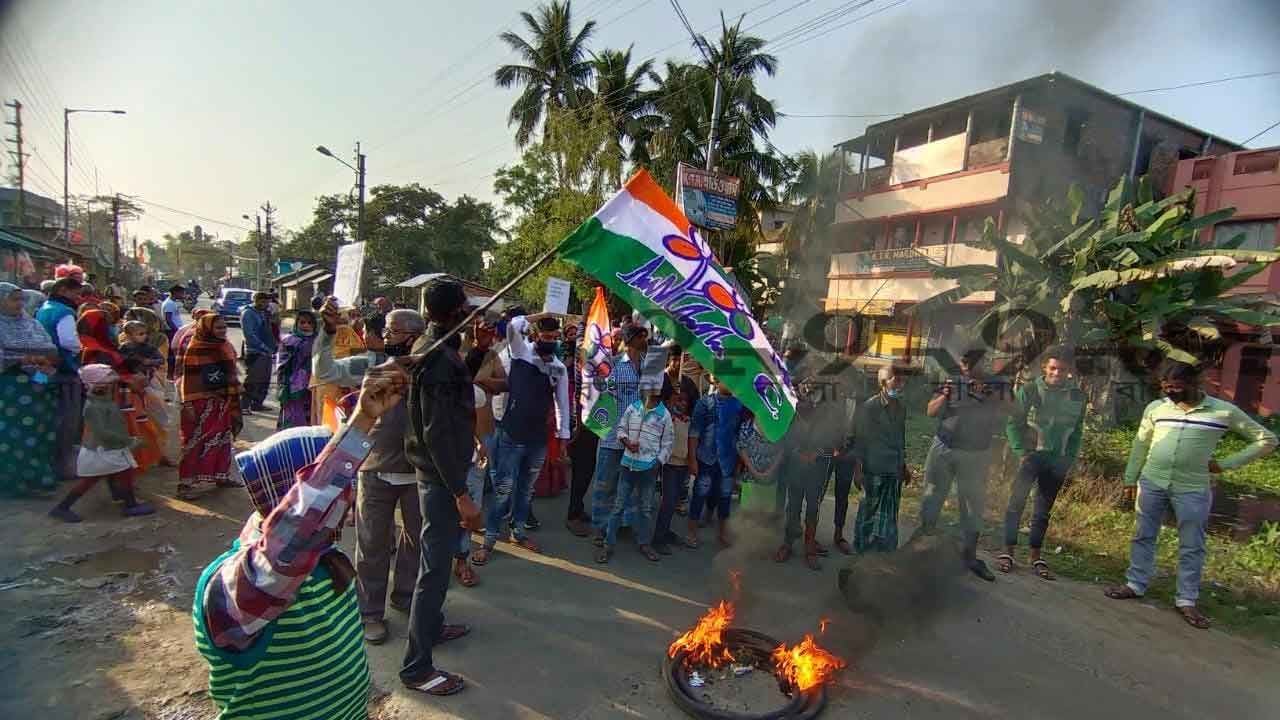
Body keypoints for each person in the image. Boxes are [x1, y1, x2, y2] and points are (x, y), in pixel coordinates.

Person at [195, 363, 409, 720]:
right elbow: (300, 527)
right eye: (341, 487)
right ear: (291, 499)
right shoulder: (236, 583)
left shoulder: (327, 560)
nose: (348, 496)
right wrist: (358, 424)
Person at [1105, 361, 1277, 629]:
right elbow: (1140, 445)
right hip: (1152, 481)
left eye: (1176, 387)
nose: (1170, 392)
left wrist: (1225, 464)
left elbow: (1266, 440)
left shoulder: (1223, 411)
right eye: (1166, 387)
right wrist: (1130, 478)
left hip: (1192, 488)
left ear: (1195, 384)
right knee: (1143, 535)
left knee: (1192, 544)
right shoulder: (1157, 408)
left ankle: (1186, 600)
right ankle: (1135, 584)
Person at [401, 281, 482, 697]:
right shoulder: (435, 358)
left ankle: (431, 628)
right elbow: (436, 433)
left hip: (440, 474)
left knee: (437, 563)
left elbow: (454, 405)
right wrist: (460, 493)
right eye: (466, 307)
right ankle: (417, 667)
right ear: (453, 312)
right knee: (433, 571)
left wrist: (479, 351)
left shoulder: (442, 347)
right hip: (438, 478)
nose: (471, 313)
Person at [355, 309, 429, 645]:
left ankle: (405, 595)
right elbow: (360, 422)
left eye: (392, 331)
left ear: (413, 335)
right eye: (385, 331)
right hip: (375, 471)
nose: (385, 337)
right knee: (372, 544)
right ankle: (370, 613)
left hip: (417, 473)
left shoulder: (430, 375)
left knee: (415, 540)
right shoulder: (377, 373)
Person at [477, 314, 570, 561]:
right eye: (546, 337)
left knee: (526, 491)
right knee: (503, 490)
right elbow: (511, 326)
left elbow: (562, 406)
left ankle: (517, 532)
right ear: (536, 335)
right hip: (511, 434)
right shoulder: (521, 352)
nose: (550, 341)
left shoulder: (558, 368)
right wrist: (541, 313)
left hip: (538, 439)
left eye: (554, 337)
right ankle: (489, 539)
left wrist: (562, 441)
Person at [916, 351, 1007, 581]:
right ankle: (921, 550)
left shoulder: (996, 383)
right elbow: (930, 411)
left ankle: (969, 557)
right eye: (962, 362)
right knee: (932, 496)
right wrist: (945, 395)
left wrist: (989, 394)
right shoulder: (952, 380)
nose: (964, 366)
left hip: (976, 454)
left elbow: (1012, 410)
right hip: (944, 447)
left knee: (972, 505)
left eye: (969, 363)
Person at [999, 348, 1087, 579]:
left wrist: (1069, 457)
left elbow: (1076, 430)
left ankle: (1035, 557)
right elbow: (1013, 422)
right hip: (1031, 457)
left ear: (1070, 372)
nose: (1057, 373)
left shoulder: (1077, 396)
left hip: (1057, 461)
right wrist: (1021, 451)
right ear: (1045, 368)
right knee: (1015, 504)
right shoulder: (1029, 390)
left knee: (1043, 510)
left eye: (1062, 369)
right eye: (1053, 368)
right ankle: (1007, 552)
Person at [48, 364, 154, 522]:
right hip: (102, 449)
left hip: (106, 448)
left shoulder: (101, 402)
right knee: (116, 475)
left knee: (115, 474)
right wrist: (128, 441)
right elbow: (102, 433)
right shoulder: (94, 406)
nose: (112, 386)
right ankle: (129, 505)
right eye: (108, 384)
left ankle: (124, 499)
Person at [597, 385, 674, 563]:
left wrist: (658, 462)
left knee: (645, 509)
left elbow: (668, 443)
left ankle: (644, 543)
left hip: (649, 468)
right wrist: (626, 442)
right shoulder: (633, 408)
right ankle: (608, 544)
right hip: (628, 465)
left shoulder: (664, 415)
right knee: (618, 506)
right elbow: (621, 428)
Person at [458, 309, 506, 581]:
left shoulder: (491, 354)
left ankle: (462, 558)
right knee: (450, 502)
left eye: (486, 323)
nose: (481, 326)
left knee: (473, 499)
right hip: (453, 440)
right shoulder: (450, 352)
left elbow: (504, 383)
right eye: (474, 321)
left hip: (483, 437)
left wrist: (486, 382)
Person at [0, 281, 60, 496]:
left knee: (40, 433)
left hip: (38, 386)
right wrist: (20, 359)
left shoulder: (31, 323)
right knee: (12, 436)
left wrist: (42, 360)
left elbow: (50, 348)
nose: (19, 303)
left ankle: (38, 479)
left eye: (20, 299)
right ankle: (12, 483)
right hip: (9, 390)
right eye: (13, 299)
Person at [590, 323, 647, 546]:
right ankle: (599, 526)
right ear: (630, 339)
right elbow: (598, 392)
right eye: (641, 337)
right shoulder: (613, 363)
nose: (645, 341)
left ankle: (623, 522)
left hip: (637, 436)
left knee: (630, 482)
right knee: (606, 482)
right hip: (612, 435)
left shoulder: (648, 366)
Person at [178, 314, 243, 498]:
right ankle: (185, 484)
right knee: (195, 442)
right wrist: (188, 404)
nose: (222, 331)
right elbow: (189, 381)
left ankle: (221, 475)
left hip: (223, 401)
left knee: (223, 439)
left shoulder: (225, 346)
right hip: (201, 403)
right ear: (206, 329)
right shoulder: (196, 348)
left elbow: (231, 372)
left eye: (224, 327)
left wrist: (235, 387)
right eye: (218, 328)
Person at [847, 365, 909, 554]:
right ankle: (860, 554)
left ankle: (884, 556)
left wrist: (903, 466)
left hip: (893, 470)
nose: (901, 384)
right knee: (867, 514)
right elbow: (860, 440)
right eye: (896, 380)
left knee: (889, 516)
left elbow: (900, 438)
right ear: (884, 382)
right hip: (873, 468)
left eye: (902, 380)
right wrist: (858, 471)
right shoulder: (870, 407)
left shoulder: (901, 408)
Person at [774, 386, 833, 570]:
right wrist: (797, 452)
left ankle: (810, 547)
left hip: (818, 468)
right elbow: (785, 437)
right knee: (793, 506)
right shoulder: (792, 411)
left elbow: (833, 439)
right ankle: (788, 543)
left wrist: (816, 454)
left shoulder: (827, 412)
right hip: (795, 465)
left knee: (813, 507)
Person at [36, 276, 85, 483]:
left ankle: (48, 463)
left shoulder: (43, 308)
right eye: (75, 293)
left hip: (44, 370)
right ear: (64, 290)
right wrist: (81, 348)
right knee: (68, 420)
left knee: (48, 416)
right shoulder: (65, 312)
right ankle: (64, 466)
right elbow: (69, 342)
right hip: (65, 370)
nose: (78, 297)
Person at [687, 376, 739, 548]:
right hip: (706, 458)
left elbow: (739, 435)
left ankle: (722, 534)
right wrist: (692, 459)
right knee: (699, 494)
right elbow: (694, 433)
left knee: (725, 498)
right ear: (717, 381)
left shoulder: (738, 405)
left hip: (727, 461)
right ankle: (691, 533)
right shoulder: (704, 403)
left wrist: (738, 464)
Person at [652, 386, 694, 554]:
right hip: (669, 464)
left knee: (675, 500)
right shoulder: (668, 418)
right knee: (667, 501)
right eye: (678, 400)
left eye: (685, 401)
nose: (682, 404)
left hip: (683, 465)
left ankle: (666, 531)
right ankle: (658, 538)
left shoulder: (688, 421)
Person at [274, 309, 317, 429]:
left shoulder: (319, 341)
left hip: (313, 386)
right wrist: (283, 386)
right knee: (292, 418)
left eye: (309, 323)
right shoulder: (288, 342)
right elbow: (282, 366)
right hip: (292, 388)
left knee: (310, 418)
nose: (306, 326)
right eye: (302, 322)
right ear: (296, 324)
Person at [240, 291, 277, 412]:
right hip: (255, 351)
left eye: (266, 301)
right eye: (262, 301)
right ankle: (244, 405)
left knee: (264, 381)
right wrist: (264, 347)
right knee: (252, 380)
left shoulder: (264, 313)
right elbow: (249, 335)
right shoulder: (248, 313)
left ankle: (257, 404)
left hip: (267, 352)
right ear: (255, 300)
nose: (264, 304)